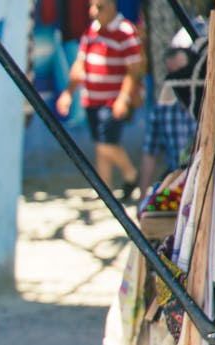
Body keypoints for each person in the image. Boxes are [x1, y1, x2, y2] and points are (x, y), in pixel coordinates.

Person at [57, 0, 144, 199]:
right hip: (91, 100)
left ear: (113, 7)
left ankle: (131, 175)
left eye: (99, 7)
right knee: (101, 145)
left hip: (112, 101)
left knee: (107, 144)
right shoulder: (92, 30)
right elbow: (80, 64)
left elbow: (134, 69)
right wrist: (68, 93)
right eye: (92, 7)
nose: (93, 12)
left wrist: (123, 98)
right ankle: (105, 190)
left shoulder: (125, 31)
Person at [138, 29, 199, 198]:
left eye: (183, 72)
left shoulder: (209, 103)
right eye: (173, 75)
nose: (179, 81)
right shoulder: (162, 109)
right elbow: (150, 152)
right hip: (177, 182)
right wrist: (143, 197)